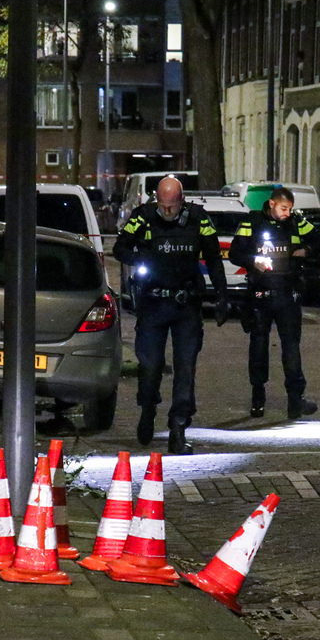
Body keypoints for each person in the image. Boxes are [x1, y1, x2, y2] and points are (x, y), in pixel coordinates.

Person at [114, 176, 229, 454]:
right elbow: (120, 248)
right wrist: (140, 258)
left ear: (182, 200)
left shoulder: (199, 219)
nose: (167, 212)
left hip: (186, 304)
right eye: (163, 206)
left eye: (172, 207)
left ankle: (178, 426)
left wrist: (222, 296)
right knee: (150, 365)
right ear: (157, 199)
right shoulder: (142, 217)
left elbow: (213, 257)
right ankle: (148, 408)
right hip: (153, 303)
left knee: (185, 367)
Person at [229, 187, 320, 421]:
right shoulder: (251, 222)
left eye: (290, 209)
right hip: (260, 294)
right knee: (259, 347)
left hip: (287, 294)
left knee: (291, 347)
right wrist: (252, 261)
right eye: (283, 208)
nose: (287, 213)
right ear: (271, 204)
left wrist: (306, 250)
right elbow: (234, 253)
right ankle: (258, 399)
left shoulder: (297, 223)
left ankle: (295, 401)